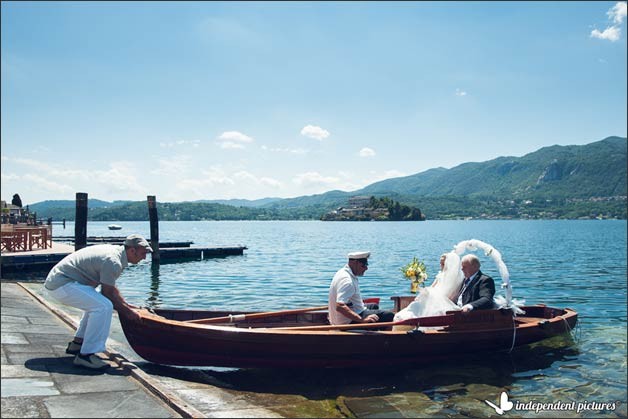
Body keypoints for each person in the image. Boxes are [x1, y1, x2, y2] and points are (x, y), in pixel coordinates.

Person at [44, 234, 151, 369]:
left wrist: (126, 305)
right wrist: (128, 313)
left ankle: (77, 344)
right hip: (62, 284)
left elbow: (110, 287)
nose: (144, 257)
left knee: (96, 304)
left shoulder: (116, 255)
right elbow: (108, 293)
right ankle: (86, 355)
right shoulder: (113, 261)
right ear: (132, 250)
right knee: (104, 306)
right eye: (143, 253)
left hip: (60, 282)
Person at [393, 252, 463, 325]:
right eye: (440, 263)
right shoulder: (440, 275)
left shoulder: (455, 279)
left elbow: (450, 297)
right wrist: (417, 287)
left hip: (442, 304)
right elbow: (431, 288)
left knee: (417, 307)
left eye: (443, 264)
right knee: (413, 306)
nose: (441, 266)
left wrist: (431, 297)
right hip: (432, 300)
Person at [328, 251, 394, 325]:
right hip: (346, 322)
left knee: (374, 306)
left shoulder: (343, 272)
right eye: (364, 265)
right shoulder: (347, 281)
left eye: (367, 265)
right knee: (389, 315)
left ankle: (371, 330)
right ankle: (384, 336)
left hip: (342, 317)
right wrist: (362, 320)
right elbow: (340, 306)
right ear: (355, 263)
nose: (366, 268)